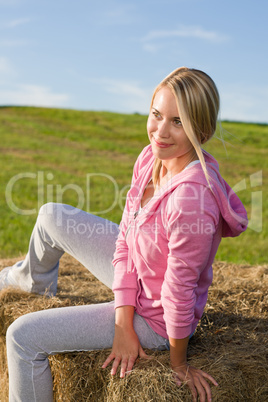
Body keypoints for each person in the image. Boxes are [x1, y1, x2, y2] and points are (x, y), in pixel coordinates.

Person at [0, 67, 248, 402]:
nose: (160, 131)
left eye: (178, 122)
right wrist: (121, 316)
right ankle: (32, 282)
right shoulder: (150, 158)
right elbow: (126, 240)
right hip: (143, 272)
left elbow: (178, 292)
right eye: (157, 115)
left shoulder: (193, 200)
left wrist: (177, 364)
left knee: (20, 337)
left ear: (200, 130)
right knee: (50, 216)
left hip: (156, 318)